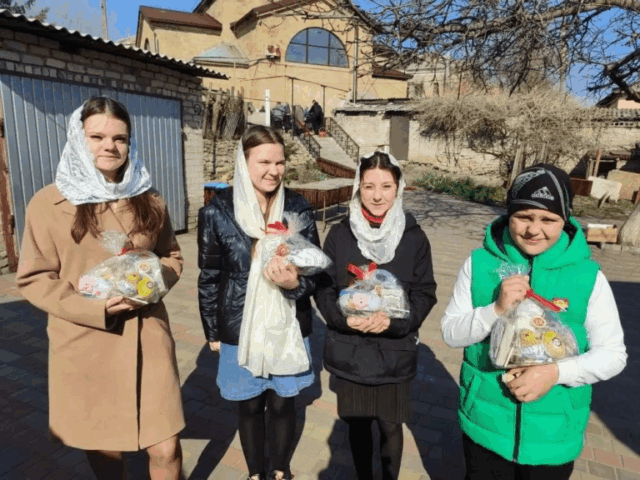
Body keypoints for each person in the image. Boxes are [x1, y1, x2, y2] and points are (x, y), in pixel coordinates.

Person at [16, 97, 185, 479]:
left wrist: (152, 282)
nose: (110, 146)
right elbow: (34, 277)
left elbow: (171, 255)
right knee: (107, 453)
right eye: (97, 137)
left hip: (147, 337)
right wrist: (95, 308)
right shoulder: (48, 203)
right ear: (78, 139)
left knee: (166, 448)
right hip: (87, 342)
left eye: (119, 138)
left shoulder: (149, 197)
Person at [441, 164, 627, 479]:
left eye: (548, 219)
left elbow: (613, 355)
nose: (533, 230)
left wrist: (556, 373)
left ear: (565, 218)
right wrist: (495, 310)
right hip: (485, 426)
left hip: (553, 437)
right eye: (524, 216)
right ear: (508, 214)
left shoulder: (588, 277)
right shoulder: (479, 264)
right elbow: (450, 333)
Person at [198, 125, 320, 480]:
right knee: (249, 404)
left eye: (280, 162)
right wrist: (212, 331)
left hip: (288, 323)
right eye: (264, 162)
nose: (274, 171)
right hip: (240, 324)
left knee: (283, 402)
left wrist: (296, 284)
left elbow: (317, 270)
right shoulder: (218, 211)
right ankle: (255, 473)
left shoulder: (297, 208)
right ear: (244, 162)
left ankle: (279, 469)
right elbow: (209, 276)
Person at [315, 152, 437, 480]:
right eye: (369, 186)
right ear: (358, 187)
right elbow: (323, 287)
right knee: (357, 425)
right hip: (350, 350)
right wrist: (342, 319)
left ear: (398, 187)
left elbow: (425, 292)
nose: (378, 195)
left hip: (395, 353)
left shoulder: (413, 236)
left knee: (390, 426)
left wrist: (396, 323)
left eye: (386, 186)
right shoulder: (341, 234)